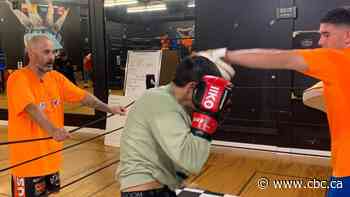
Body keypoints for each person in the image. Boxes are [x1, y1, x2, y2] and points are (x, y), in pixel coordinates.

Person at [198, 7, 350, 197]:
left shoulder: (339, 59)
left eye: (326, 35)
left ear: (347, 36)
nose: (320, 42)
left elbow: (282, 59)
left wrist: (224, 56)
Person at [7, 35, 126, 197]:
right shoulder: (18, 78)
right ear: (31, 53)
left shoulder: (55, 78)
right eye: (46, 52)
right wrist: (54, 130)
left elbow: (84, 97)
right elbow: (31, 108)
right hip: (27, 164)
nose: (52, 57)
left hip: (51, 160)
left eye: (53, 52)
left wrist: (109, 108)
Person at [117, 54, 235, 197]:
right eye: (210, 94)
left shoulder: (177, 104)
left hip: (160, 189)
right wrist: (209, 116)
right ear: (192, 87)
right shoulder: (160, 102)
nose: (210, 100)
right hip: (144, 192)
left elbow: (183, 161)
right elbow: (192, 161)